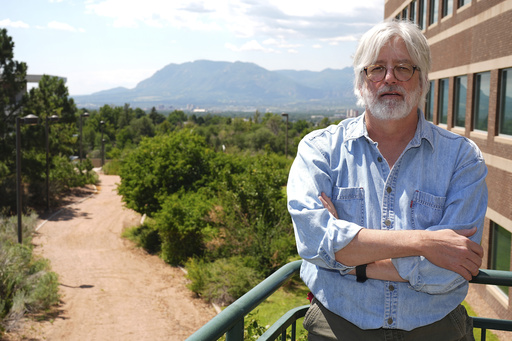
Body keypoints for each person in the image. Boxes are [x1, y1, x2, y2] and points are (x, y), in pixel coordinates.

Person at [287, 20, 488, 340]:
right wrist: (425, 243)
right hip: (338, 326)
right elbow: (314, 243)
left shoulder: (462, 159)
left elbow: (450, 269)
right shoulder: (320, 150)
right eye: (377, 68)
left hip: (434, 328)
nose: (390, 78)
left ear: (423, 81)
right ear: (360, 80)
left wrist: (349, 261)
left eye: (404, 68)